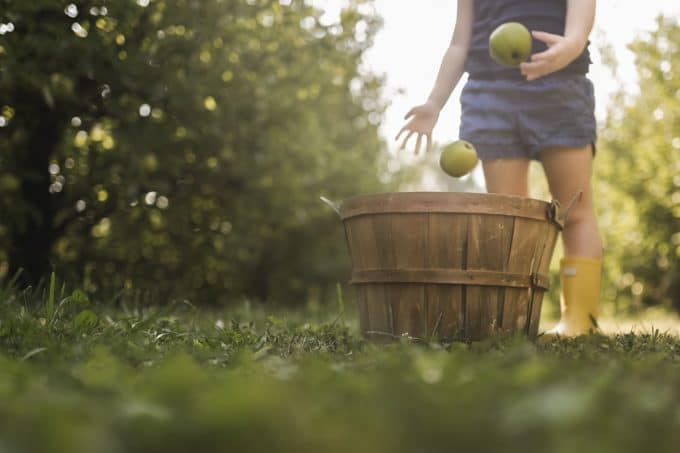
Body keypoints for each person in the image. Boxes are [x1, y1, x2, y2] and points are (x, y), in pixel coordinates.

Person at [396, 0, 602, 337]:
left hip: (560, 86)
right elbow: (460, 44)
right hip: (490, 94)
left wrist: (573, 43)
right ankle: (513, 320)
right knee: (510, 220)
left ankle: (580, 320)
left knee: (575, 210)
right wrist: (434, 103)